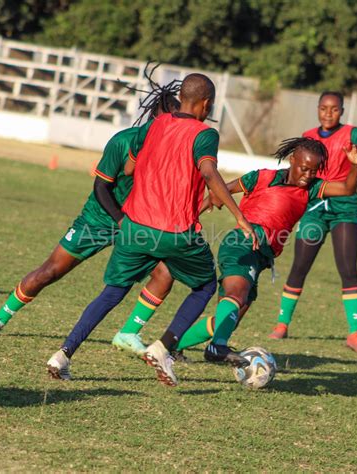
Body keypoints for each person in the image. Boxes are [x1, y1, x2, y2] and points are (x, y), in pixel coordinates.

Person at [46, 73, 258, 387]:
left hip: (133, 227)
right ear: (206, 103)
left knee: (112, 293)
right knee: (203, 286)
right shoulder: (204, 133)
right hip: (174, 232)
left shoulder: (157, 125)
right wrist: (239, 217)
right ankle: (164, 347)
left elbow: (130, 167)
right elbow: (209, 171)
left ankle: (63, 354)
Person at [0, 80, 181, 344]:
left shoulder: (169, 150)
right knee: (50, 272)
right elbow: (100, 187)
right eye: (169, 119)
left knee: (164, 273)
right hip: (99, 219)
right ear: (155, 117)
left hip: (137, 224)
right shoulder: (123, 141)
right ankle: (0, 317)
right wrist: (121, 221)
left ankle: (128, 333)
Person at [175, 137, 357, 361]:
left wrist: (355, 164)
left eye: (314, 171)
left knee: (231, 314)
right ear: (292, 159)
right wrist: (191, 221)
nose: (308, 175)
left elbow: (347, 188)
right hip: (241, 244)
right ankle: (218, 347)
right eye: (304, 168)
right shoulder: (262, 177)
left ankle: (174, 344)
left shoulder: (312, 189)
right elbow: (220, 191)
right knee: (236, 296)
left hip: (261, 257)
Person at [268, 91, 357, 354]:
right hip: (315, 207)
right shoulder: (308, 135)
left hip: (345, 208)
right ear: (318, 109)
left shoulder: (351, 133)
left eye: (334, 109)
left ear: (342, 111)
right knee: (300, 266)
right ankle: (282, 324)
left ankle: (354, 334)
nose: (328, 113)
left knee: (347, 269)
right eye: (323, 108)